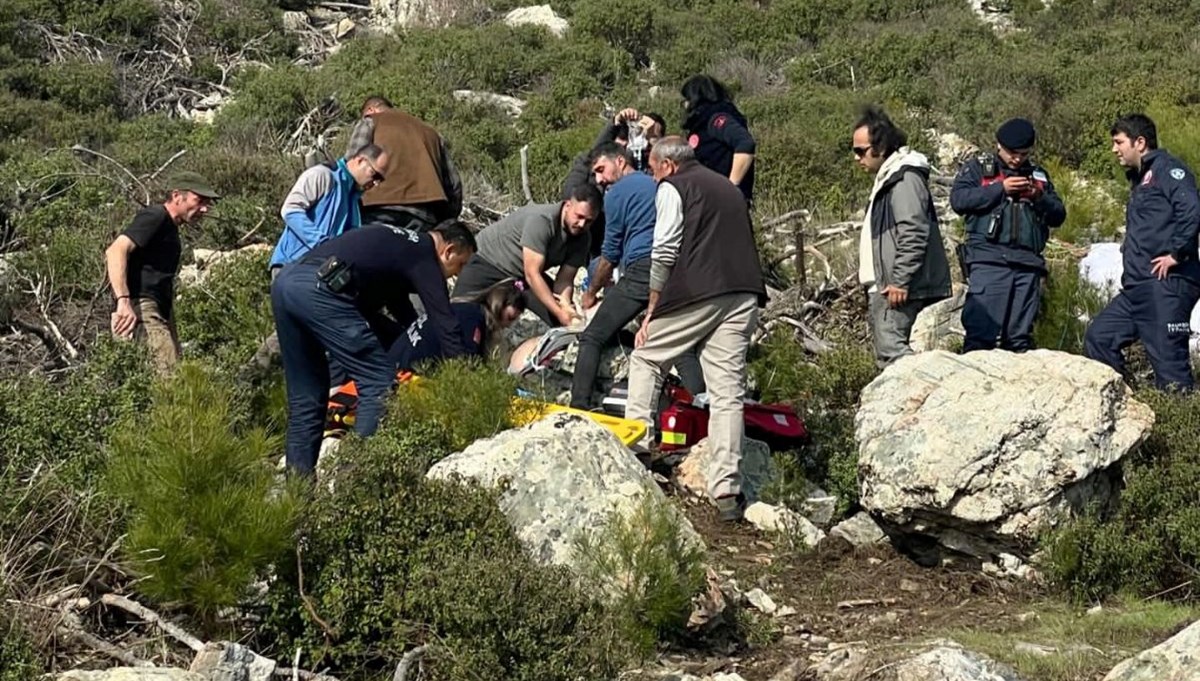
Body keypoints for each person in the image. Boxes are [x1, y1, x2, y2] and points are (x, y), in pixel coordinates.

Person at [624, 137, 766, 523]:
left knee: (647, 357)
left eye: (653, 170)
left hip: (698, 291)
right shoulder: (726, 186)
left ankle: (636, 447)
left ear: (667, 166)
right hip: (743, 292)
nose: (653, 179)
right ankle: (727, 490)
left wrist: (653, 308)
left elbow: (665, 248)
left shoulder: (674, 187)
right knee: (727, 393)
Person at [271, 221, 476, 476]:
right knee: (378, 383)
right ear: (449, 250)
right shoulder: (423, 254)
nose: (457, 274)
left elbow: (403, 313)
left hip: (287, 283)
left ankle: (297, 496)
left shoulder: (400, 243)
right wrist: (467, 378)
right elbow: (445, 322)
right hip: (320, 291)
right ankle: (352, 482)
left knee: (308, 397)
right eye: (461, 264)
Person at [569, 143, 705, 409]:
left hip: (643, 270)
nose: (599, 179)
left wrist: (590, 293)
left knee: (592, 337)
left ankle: (579, 408)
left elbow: (609, 254)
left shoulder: (617, 193)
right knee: (680, 348)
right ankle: (704, 407)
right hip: (677, 272)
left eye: (601, 169)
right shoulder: (661, 184)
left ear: (620, 161)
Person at [1085, 114, 1200, 391]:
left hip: (1167, 286)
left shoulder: (1170, 171)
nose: (1114, 149)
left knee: (1171, 371)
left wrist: (1176, 254)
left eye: (1119, 142)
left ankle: (1180, 427)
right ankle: (1130, 407)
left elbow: (1192, 210)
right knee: (1099, 338)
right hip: (1137, 288)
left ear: (1139, 142)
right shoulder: (1140, 180)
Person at [951, 118, 1066, 352]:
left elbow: (1058, 215)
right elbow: (959, 200)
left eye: (1023, 154)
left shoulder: (1038, 176)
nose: (1017, 159)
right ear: (998, 145)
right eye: (1012, 153)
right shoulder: (977, 168)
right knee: (981, 337)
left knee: (1019, 341)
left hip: (1027, 266)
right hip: (989, 261)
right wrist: (1000, 189)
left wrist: (1037, 197)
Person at [852, 105, 951, 368]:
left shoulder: (904, 178)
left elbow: (913, 230)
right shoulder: (893, 177)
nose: (856, 158)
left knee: (895, 358)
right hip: (890, 285)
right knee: (891, 356)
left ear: (880, 147)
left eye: (860, 150)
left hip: (896, 289)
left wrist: (899, 280)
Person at [106, 171, 220, 373]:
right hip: (142, 307)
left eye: (207, 203)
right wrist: (123, 302)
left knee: (169, 376)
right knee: (167, 378)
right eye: (199, 200)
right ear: (177, 195)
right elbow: (116, 250)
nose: (204, 208)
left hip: (158, 309)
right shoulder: (156, 216)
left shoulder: (170, 227)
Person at [451, 183, 601, 327]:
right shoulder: (542, 220)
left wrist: (565, 308)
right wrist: (559, 311)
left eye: (588, 221)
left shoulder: (583, 238)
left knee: (561, 321)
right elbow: (532, 274)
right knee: (458, 313)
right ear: (568, 206)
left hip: (521, 274)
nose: (582, 224)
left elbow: (564, 281)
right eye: (579, 216)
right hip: (488, 261)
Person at [270, 144, 390, 278]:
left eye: (380, 179)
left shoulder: (353, 198)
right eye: (374, 174)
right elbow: (290, 210)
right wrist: (323, 244)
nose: (376, 183)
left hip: (319, 271)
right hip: (292, 265)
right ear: (360, 161)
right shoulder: (323, 175)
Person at [345, 96, 463, 232]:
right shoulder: (432, 134)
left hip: (377, 209)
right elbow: (454, 186)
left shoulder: (370, 121)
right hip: (424, 216)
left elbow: (352, 165)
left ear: (371, 110)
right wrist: (446, 219)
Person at [390, 280, 526, 372]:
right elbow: (469, 364)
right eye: (509, 318)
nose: (507, 325)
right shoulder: (473, 321)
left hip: (395, 358)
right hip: (406, 371)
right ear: (498, 306)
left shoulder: (464, 309)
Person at [680, 75, 756, 203]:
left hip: (724, 202)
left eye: (686, 99)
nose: (684, 104)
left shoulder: (716, 119)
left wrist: (731, 188)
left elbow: (745, 143)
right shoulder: (701, 124)